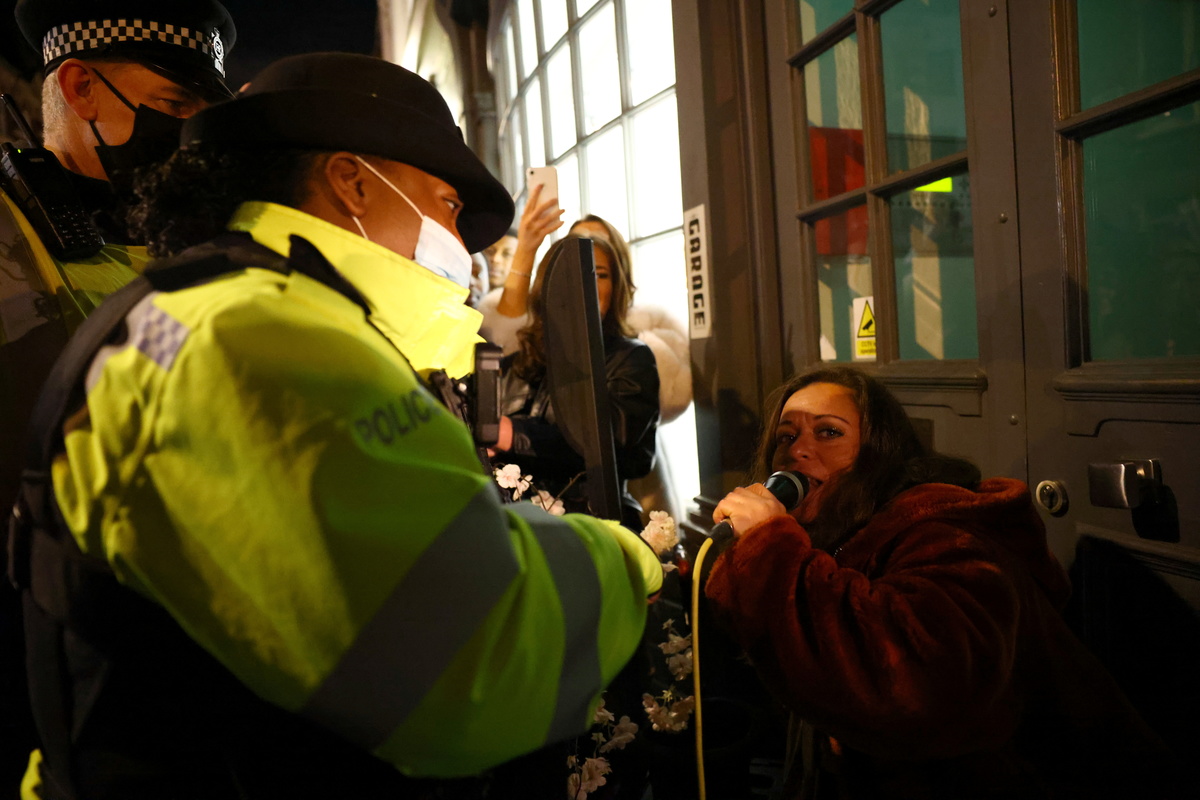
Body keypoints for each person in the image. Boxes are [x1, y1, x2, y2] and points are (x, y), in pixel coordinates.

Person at [8, 52, 663, 799]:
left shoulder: (216, 307)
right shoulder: (269, 339)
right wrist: (618, 557)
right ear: (353, 182)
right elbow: (468, 659)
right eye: (448, 207)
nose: (462, 243)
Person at [705, 365, 1179, 799]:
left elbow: (915, 689)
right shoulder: (830, 535)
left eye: (829, 432)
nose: (798, 450)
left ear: (879, 452)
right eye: (786, 436)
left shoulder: (948, 536)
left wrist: (769, 548)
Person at [0, 0, 236, 789]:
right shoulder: (12, 233)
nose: (190, 131)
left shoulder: (185, 231)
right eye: (173, 103)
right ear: (80, 88)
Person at [477, 209, 693, 519]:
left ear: (616, 287)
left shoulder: (632, 358)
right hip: (515, 520)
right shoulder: (517, 362)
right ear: (546, 286)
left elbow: (614, 445)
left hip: (594, 521)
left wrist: (515, 435)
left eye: (599, 274)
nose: (584, 282)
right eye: (569, 273)